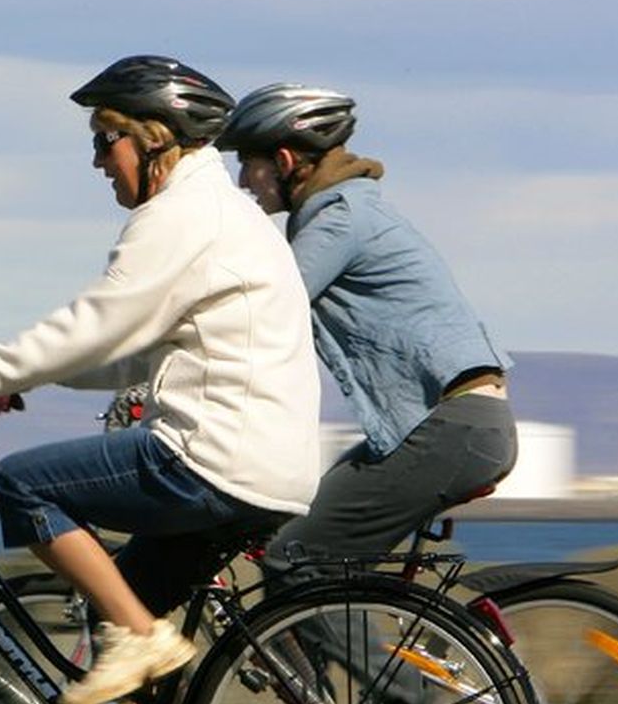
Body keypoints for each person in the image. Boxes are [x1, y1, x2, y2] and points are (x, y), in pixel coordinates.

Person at [0, 55, 321, 704]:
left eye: (105, 140)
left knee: (21, 484)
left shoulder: (182, 215)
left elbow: (95, 323)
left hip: (211, 458)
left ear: (154, 138)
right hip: (268, 467)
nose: (98, 161)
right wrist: (22, 383)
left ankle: (145, 639)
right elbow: (131, 354)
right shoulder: (222, 214)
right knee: (120, 600)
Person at [215, 84, 517, 581]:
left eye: (248, 162)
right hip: (449, 424)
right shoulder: (343, 212)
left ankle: (375, 664)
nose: (243, 179)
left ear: (286, 160)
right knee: (301, 531)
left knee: (295, 563)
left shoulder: (338, 221)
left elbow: (260, 313)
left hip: (450, 429)